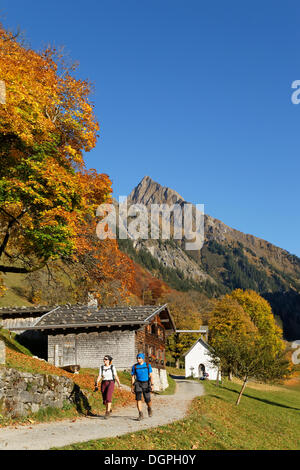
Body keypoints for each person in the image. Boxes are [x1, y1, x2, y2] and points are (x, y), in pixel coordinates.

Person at [95, 355, 121, 419]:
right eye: (104, 359)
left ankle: (107, 412)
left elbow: (115, 376)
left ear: (109, 361)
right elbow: (100, 376)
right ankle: (109, 408)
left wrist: (119, 385)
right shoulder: (101, 367)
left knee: (108, 397)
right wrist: (96, 382)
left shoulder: (112, 367)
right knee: (104, 400)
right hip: (104, 383)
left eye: (106, 359)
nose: (104, 360)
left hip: (111, 382)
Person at [131, 353, 154, 420]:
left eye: (139, 358)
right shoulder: (135, 366)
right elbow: (132, 377)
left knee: (148, 399)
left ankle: (149, 408)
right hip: (138, 383)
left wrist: (152, 384)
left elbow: (151, 376)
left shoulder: (147, 365)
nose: (138, 359)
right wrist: (132, 387)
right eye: (137, 358)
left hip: (146, 383)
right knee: (138, 399)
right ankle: (140, 414)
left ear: (143, 358)